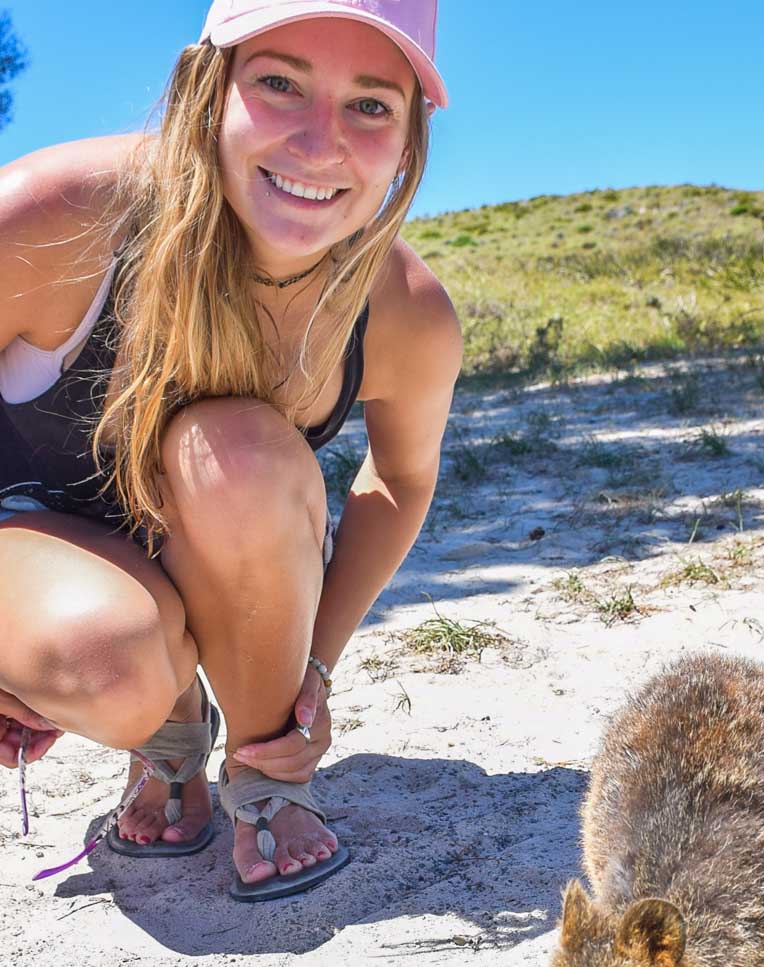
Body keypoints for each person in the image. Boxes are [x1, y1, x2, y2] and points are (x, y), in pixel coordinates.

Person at [0, 0, 461, 900]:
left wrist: (312, 675)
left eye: (371, 106)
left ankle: (266, 772)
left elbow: (401, 478)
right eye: (281, 83)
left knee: (238, 453)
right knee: (107, 660)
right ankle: (168, 730)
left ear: (410, 140)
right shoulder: (56, 217)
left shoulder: (406, 309)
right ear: (206, 90)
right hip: (28, 537)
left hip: (209, 533)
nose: (320, 142)